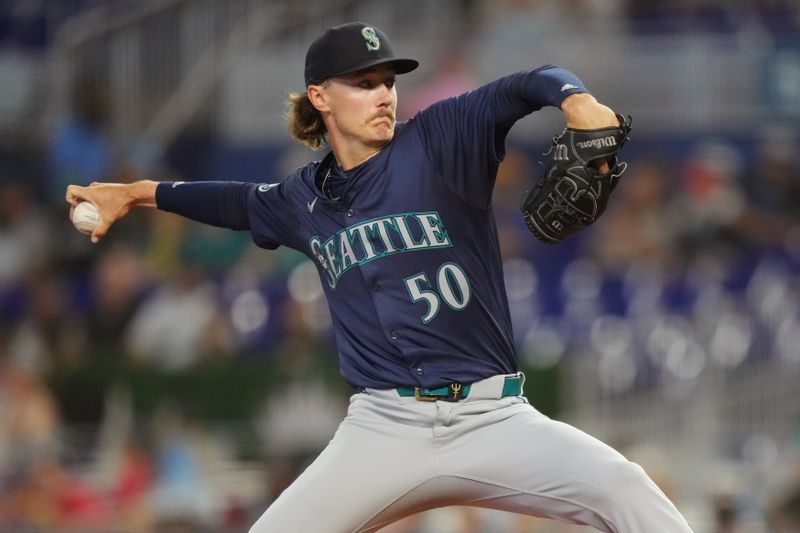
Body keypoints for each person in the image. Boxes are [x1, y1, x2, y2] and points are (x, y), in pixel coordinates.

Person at [66, 22, 694, 533]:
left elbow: (523, 86)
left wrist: (575, 98)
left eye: (388, 82)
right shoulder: (299, 198)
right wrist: (138, 192)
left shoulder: (441, 140)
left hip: (494, 418)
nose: (384, 94)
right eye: (363, 83)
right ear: (320, 97)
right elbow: (229, 200)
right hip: (383, 429)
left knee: (626, 488)